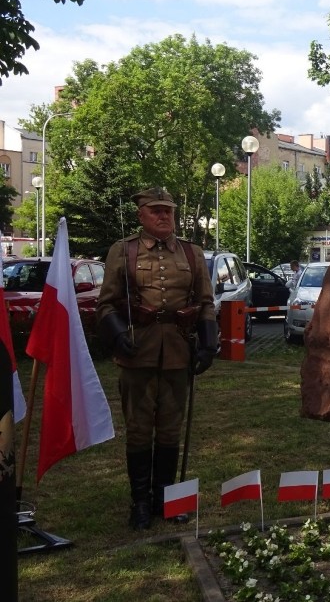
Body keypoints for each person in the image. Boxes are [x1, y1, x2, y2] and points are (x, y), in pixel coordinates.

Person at [96, 186, 217, 530]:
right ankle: (140, 503)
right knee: (138, 430)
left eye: (169, 210)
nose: (164, 216)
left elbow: (206, 302)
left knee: (169, 429)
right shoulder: (124, 251)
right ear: (141, 216)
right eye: (156, 211)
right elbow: (106, 303)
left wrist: (208, 342)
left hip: (179, 351)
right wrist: (118, 335)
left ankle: (166, 499)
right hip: (138, 351)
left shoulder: (192, 254)